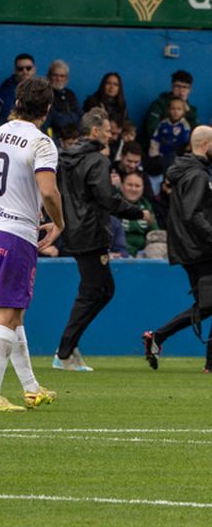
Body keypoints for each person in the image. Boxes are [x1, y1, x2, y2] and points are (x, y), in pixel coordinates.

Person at [0, 77, 63, 411]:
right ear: (47, 109)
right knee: (6, 316)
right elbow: (49, 191)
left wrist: (0, 199)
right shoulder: (41, 143)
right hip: (16, 234)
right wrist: (59, 223)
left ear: (17, 102)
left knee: (13, 313)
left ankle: (31, 387)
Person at [54, 108, 146, 371]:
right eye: (107, 130)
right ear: (95, 131)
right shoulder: (97, 160)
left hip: (74, 230)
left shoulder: (66, 158)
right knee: (96, 291)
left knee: (99, 290)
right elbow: (106, 197)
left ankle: (68, 348)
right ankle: (64, 352)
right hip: (92, 232)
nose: (110, 134)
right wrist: (138, 210)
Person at [142, 125, 212, 373]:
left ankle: (159, 338)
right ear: (205, 145)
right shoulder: (199, 176)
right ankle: (159, 336)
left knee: (207, 304)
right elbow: (194, 214)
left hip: (188, 247)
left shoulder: (186, 171)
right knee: (206, 305)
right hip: (200, 249)